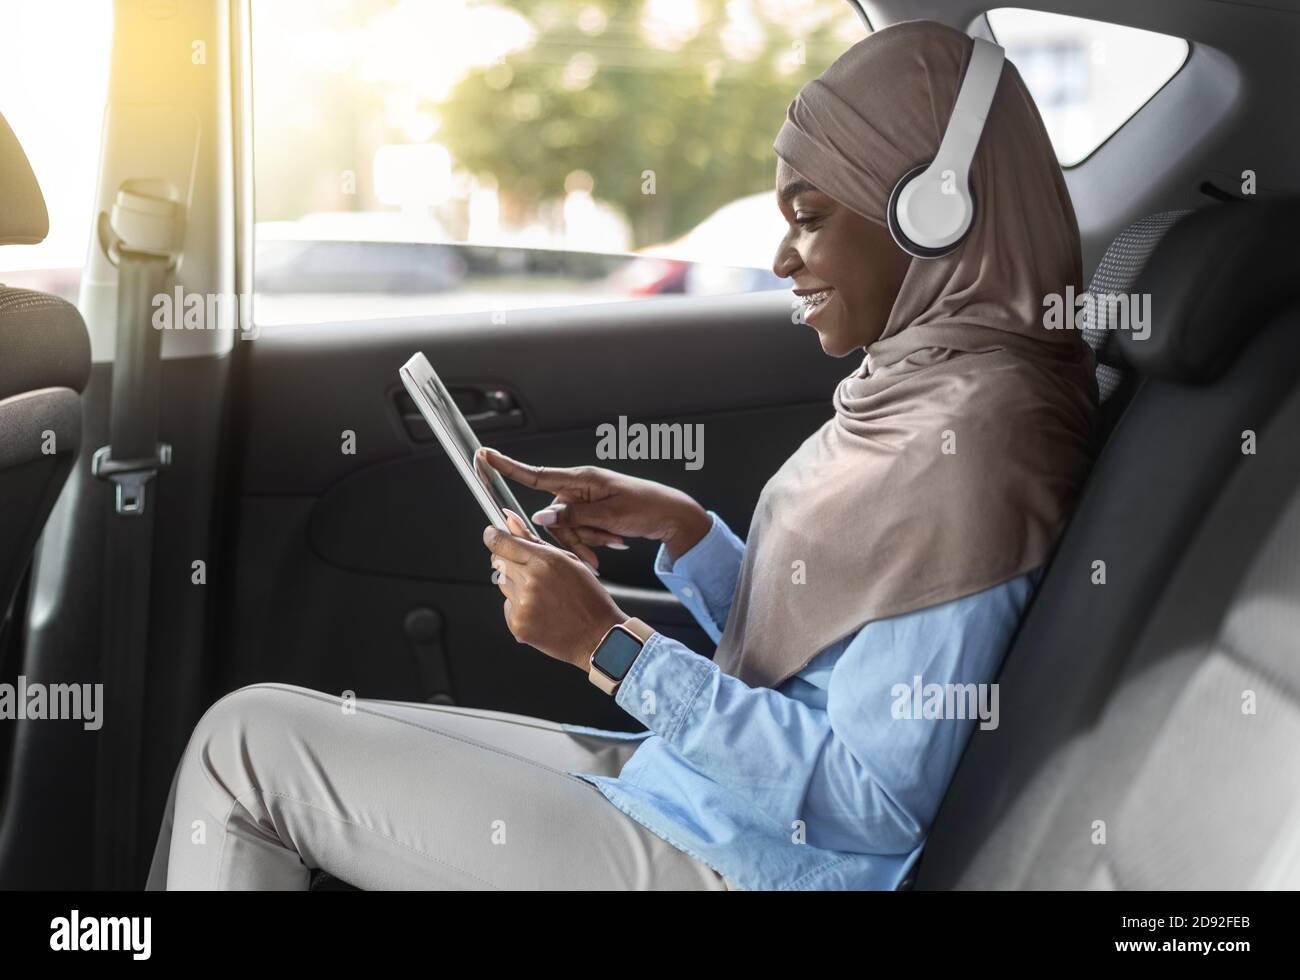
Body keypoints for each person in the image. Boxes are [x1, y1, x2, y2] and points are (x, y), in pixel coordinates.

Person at [146, 20, 1097, 891]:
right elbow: (833, 650)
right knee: (255, 725)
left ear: (935, 213)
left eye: (809, 216)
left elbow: (873, 803)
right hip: (704, 800)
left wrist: (609, 648)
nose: (782, 257)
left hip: (741, 865)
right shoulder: (927, 387)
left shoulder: (976, 442)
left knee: (244, 751)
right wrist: (684, 532)